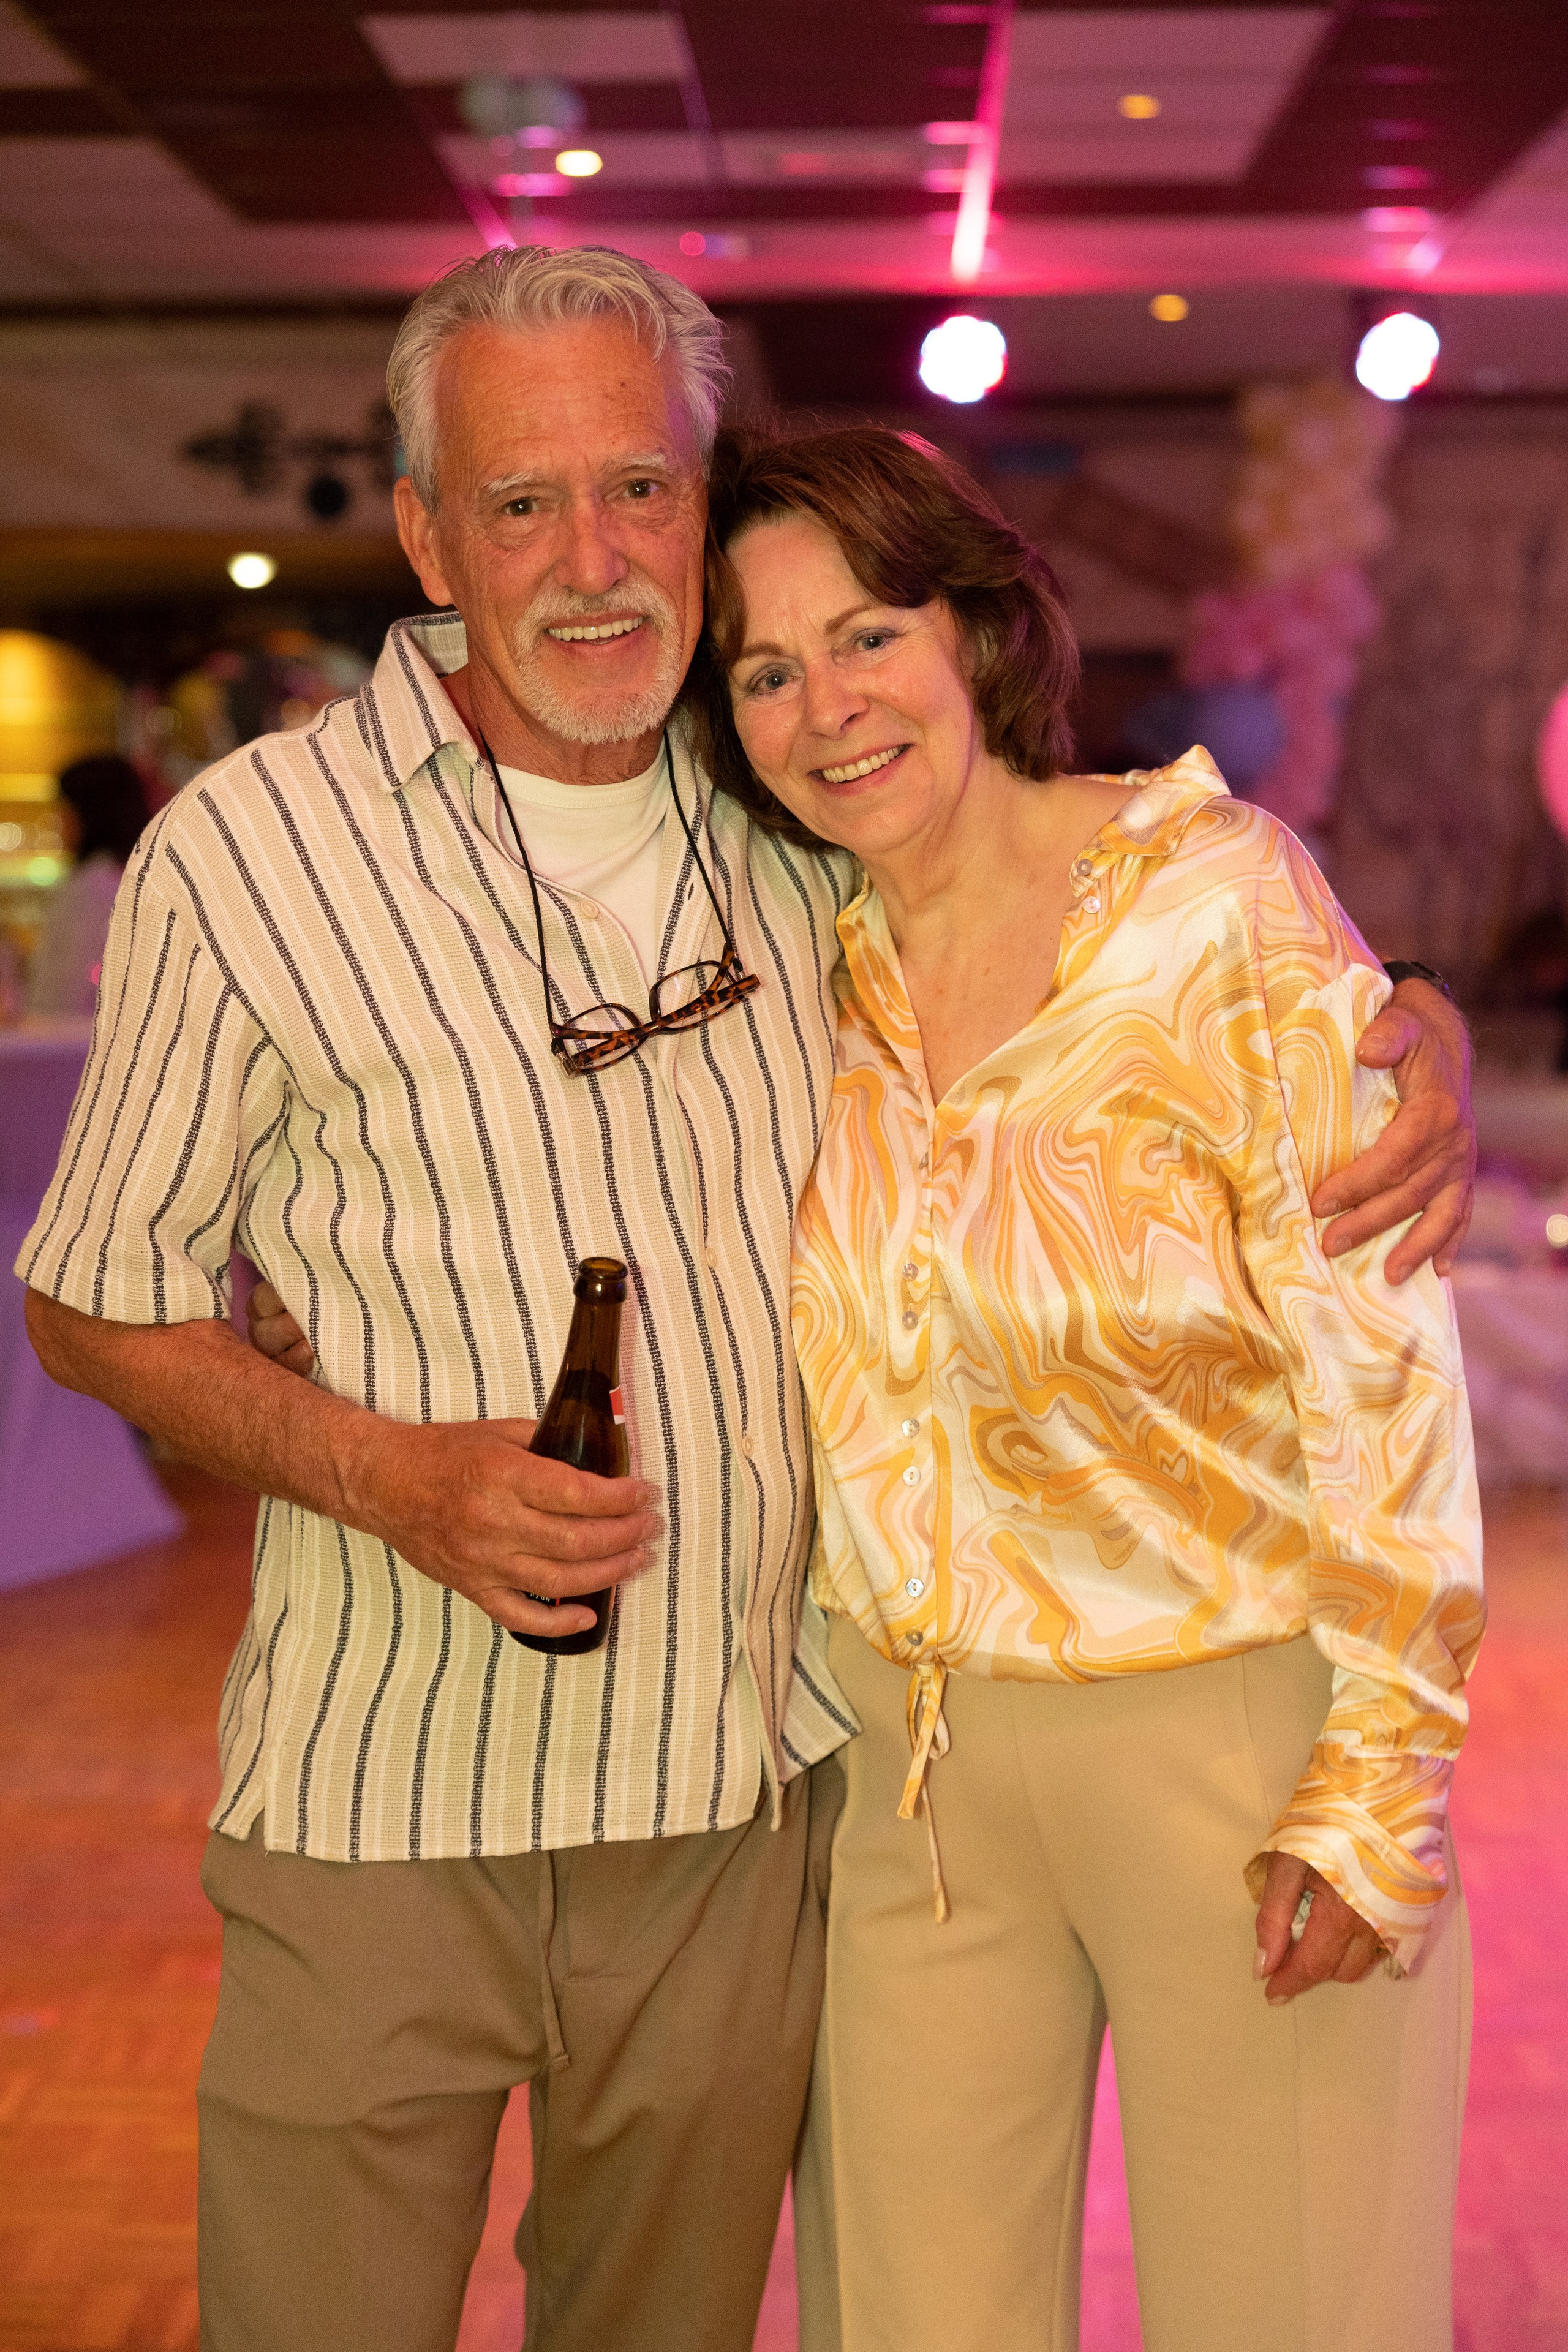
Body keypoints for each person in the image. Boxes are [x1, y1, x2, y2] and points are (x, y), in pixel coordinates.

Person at [21, 244, 1472, 2352]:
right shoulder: (300, 859)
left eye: (642, 492)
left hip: (819, 1792)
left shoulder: (915, 848)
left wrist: (1393, 1011)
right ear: (429, 532)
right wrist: (395, 1475)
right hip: (522, 1787)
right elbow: (90, 1299)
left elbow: (1330, 1273)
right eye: (521, 505)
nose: (593, 561)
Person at [687, 421, 1485, 2352]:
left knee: (1294, 2312)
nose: (825, 706)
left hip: (1230, 1732)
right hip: (911, 1773)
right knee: (912, 2318)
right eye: (764, 668)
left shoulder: (1211, 897)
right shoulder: (788, 959)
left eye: (864, 633)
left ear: (972, 631)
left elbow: (1376, 1347)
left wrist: (1374, 1780)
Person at [25, 753, 149, 1016]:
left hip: (68, 1051)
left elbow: (68, 998)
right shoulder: (136, 882)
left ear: (90, 814)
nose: (60, 825)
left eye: (65, 811)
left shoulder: (91, 890)